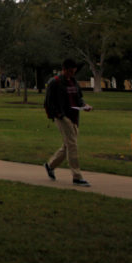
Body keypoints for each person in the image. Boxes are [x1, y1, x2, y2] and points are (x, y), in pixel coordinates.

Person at [44, 58, 93, 187]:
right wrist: (58, 114)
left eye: (74, 72)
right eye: (70, 71)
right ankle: (77, 176)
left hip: (74, 116)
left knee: (68, 145)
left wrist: (84, 105)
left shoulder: (73, 81)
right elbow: (48, 102)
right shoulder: (55, 82)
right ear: (64, 69)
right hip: (62, 117)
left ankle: (50, 165)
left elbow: (79, 98)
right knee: (72, 144)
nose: (72, 74)